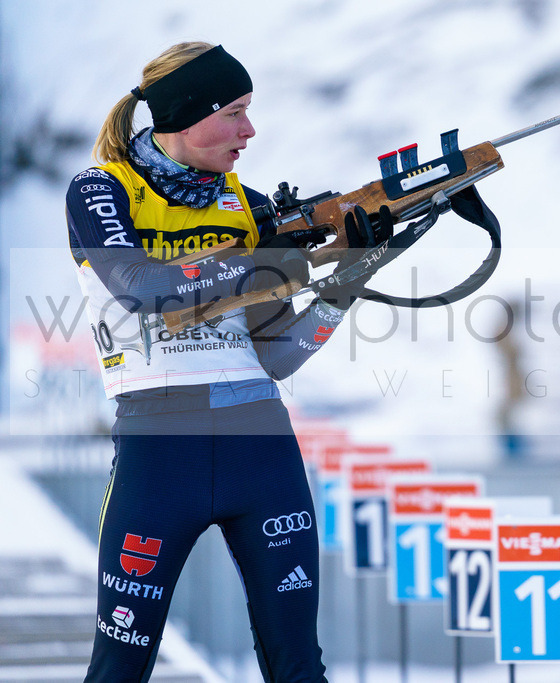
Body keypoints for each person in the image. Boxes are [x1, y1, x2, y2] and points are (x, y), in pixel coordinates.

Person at [65, 42, 392, 682]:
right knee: (119, 669)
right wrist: (282, 260)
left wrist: (351, 274)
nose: (249, 131)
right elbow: (145, 289)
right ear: (188, 115)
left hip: (262, 447)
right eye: (234, 112)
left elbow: (276, 358)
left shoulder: (249, 204)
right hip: (160, 451)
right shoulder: (102, 190)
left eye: (250, 111)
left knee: (300, 667)